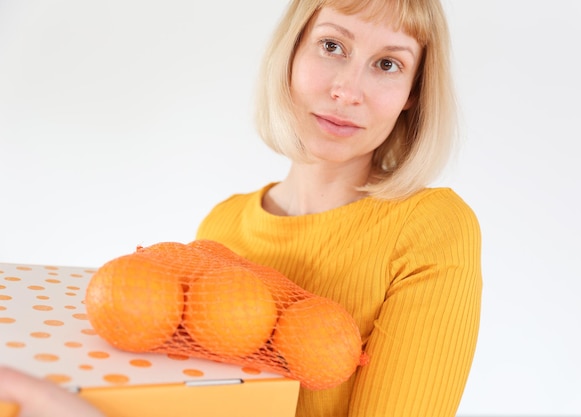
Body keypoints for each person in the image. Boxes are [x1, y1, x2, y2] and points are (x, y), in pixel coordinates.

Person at [0, 0, 482, 416]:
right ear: (292, 52)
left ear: (412, 94)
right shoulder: (223, 225)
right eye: (332, 46)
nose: (347, 90)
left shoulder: (431, 229)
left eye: (387, 64)